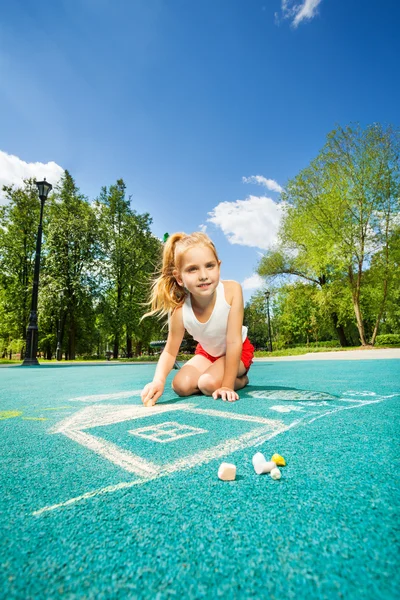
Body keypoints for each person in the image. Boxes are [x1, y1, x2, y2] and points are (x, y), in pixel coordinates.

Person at [140, 232, 255, 407]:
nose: (203, 275)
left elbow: (233, 342)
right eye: (192, 269)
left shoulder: (232, 291)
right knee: (180, 386)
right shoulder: (179, 310)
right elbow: (170, 351)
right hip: (207, 353)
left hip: (238, 351)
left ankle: (242, 380)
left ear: (219, 266)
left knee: (207, 384)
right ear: (179, 277)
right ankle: (215, 375)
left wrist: (227, 386)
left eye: (210, 266)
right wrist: (158, 380)